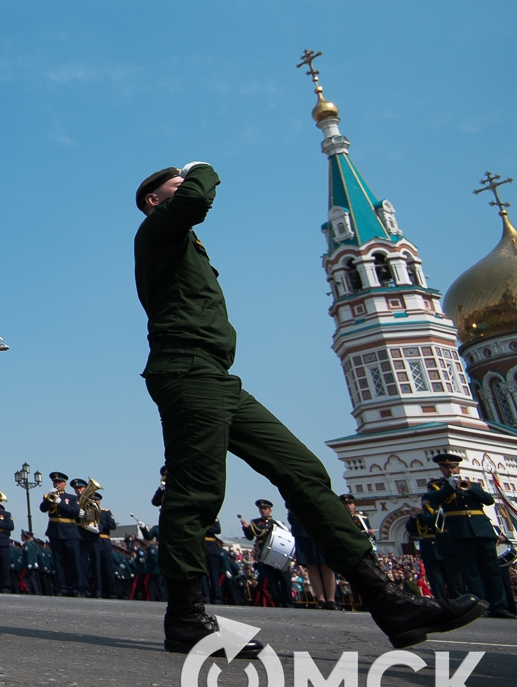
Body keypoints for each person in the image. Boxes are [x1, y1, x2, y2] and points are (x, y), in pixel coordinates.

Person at [134, 161, 482, 653]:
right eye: (175, 185)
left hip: (217, 376)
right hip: (186, 372)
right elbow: (195, 200)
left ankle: (387, 600)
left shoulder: (181, 241)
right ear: (156, 200)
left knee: (304, 471)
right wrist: (203, 168)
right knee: (197, 489)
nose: (186, 187)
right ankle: (186, 617)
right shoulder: (157, 230)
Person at [426, 452, 514, 618]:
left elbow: (488, 500)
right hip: (460, 532)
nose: (451, 470)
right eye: (446, 467)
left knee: (492, 570)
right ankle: (481, 606)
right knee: (471, 572)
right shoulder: (438, 487)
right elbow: (433, 500)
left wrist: (471, 488)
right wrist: (449, 488)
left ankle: (499, 606)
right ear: (441, 469)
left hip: (482, 530)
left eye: (453, 466)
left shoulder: (473, 485)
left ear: (458, 467)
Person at [39, 473, 86, 596]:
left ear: (64, 484)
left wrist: (61, 503)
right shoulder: (48, 496)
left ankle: (76, 588)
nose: (57, 484)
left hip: (70, 532)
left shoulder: (71, 498)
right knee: (59, 562)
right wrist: (49, 498)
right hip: (55, 532)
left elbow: (75, 512)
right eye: (55, 482)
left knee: (74, 562)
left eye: (59, 482)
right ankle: (62, 588)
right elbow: (42, 508)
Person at [289, 502, 337, 610]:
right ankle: (321, 600)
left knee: (326, 566)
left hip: (321, 531)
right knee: (312, 567)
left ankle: (331, 600)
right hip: (303, 532)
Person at [71, 478, 101, 596]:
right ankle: (85, 590)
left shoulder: (92, 501)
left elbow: (99, 517)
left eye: (80, 488)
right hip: (80, 534)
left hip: (93, 536)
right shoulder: (74, 501)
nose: (78, 491)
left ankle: (98, 591)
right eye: (76, 489)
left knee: (96, 565)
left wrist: (96, 527)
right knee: (82, 565)